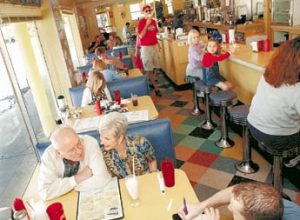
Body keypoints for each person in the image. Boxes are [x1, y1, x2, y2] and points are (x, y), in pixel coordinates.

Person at [247, 36, 300, 167]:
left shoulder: (270, 72)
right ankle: (292, 156)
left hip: (253, 126)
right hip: (276, 137)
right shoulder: (297, 88)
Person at [38, 127, 111, 200]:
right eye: (71, 150)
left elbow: (103, 179)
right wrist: (78, 178)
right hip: (64, 199)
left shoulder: (90, 142)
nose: (79, 151)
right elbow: (44, 192)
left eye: (79, 143)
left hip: (87, 196)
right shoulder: (48, 157)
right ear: (59, 153)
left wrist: (66, 187)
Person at [178, 182, 300, 220]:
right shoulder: (274, 203)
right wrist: (201, 206)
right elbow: (234, 191)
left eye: (235, 211)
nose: (229, 208)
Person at [98, 112, 157, 178]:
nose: (101, 142)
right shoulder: (102, 153)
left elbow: (151, 160)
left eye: (107, 139)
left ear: (120, 138)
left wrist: (153, 177)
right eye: (101, 136)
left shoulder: (140, 142)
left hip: (146, 180)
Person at [137, 4, 162, 96]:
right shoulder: (141, 22)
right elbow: (140, 36)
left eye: (149, 11)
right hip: (146, 48)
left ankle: (151, 81)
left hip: (154, 46)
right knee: (148, 68)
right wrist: (147, 24)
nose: (148, 12)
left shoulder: (154, 21)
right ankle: (156, 88)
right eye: (146, 11)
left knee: (157, 67)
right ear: (143, 12)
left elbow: (154, 35)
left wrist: (158, 45)